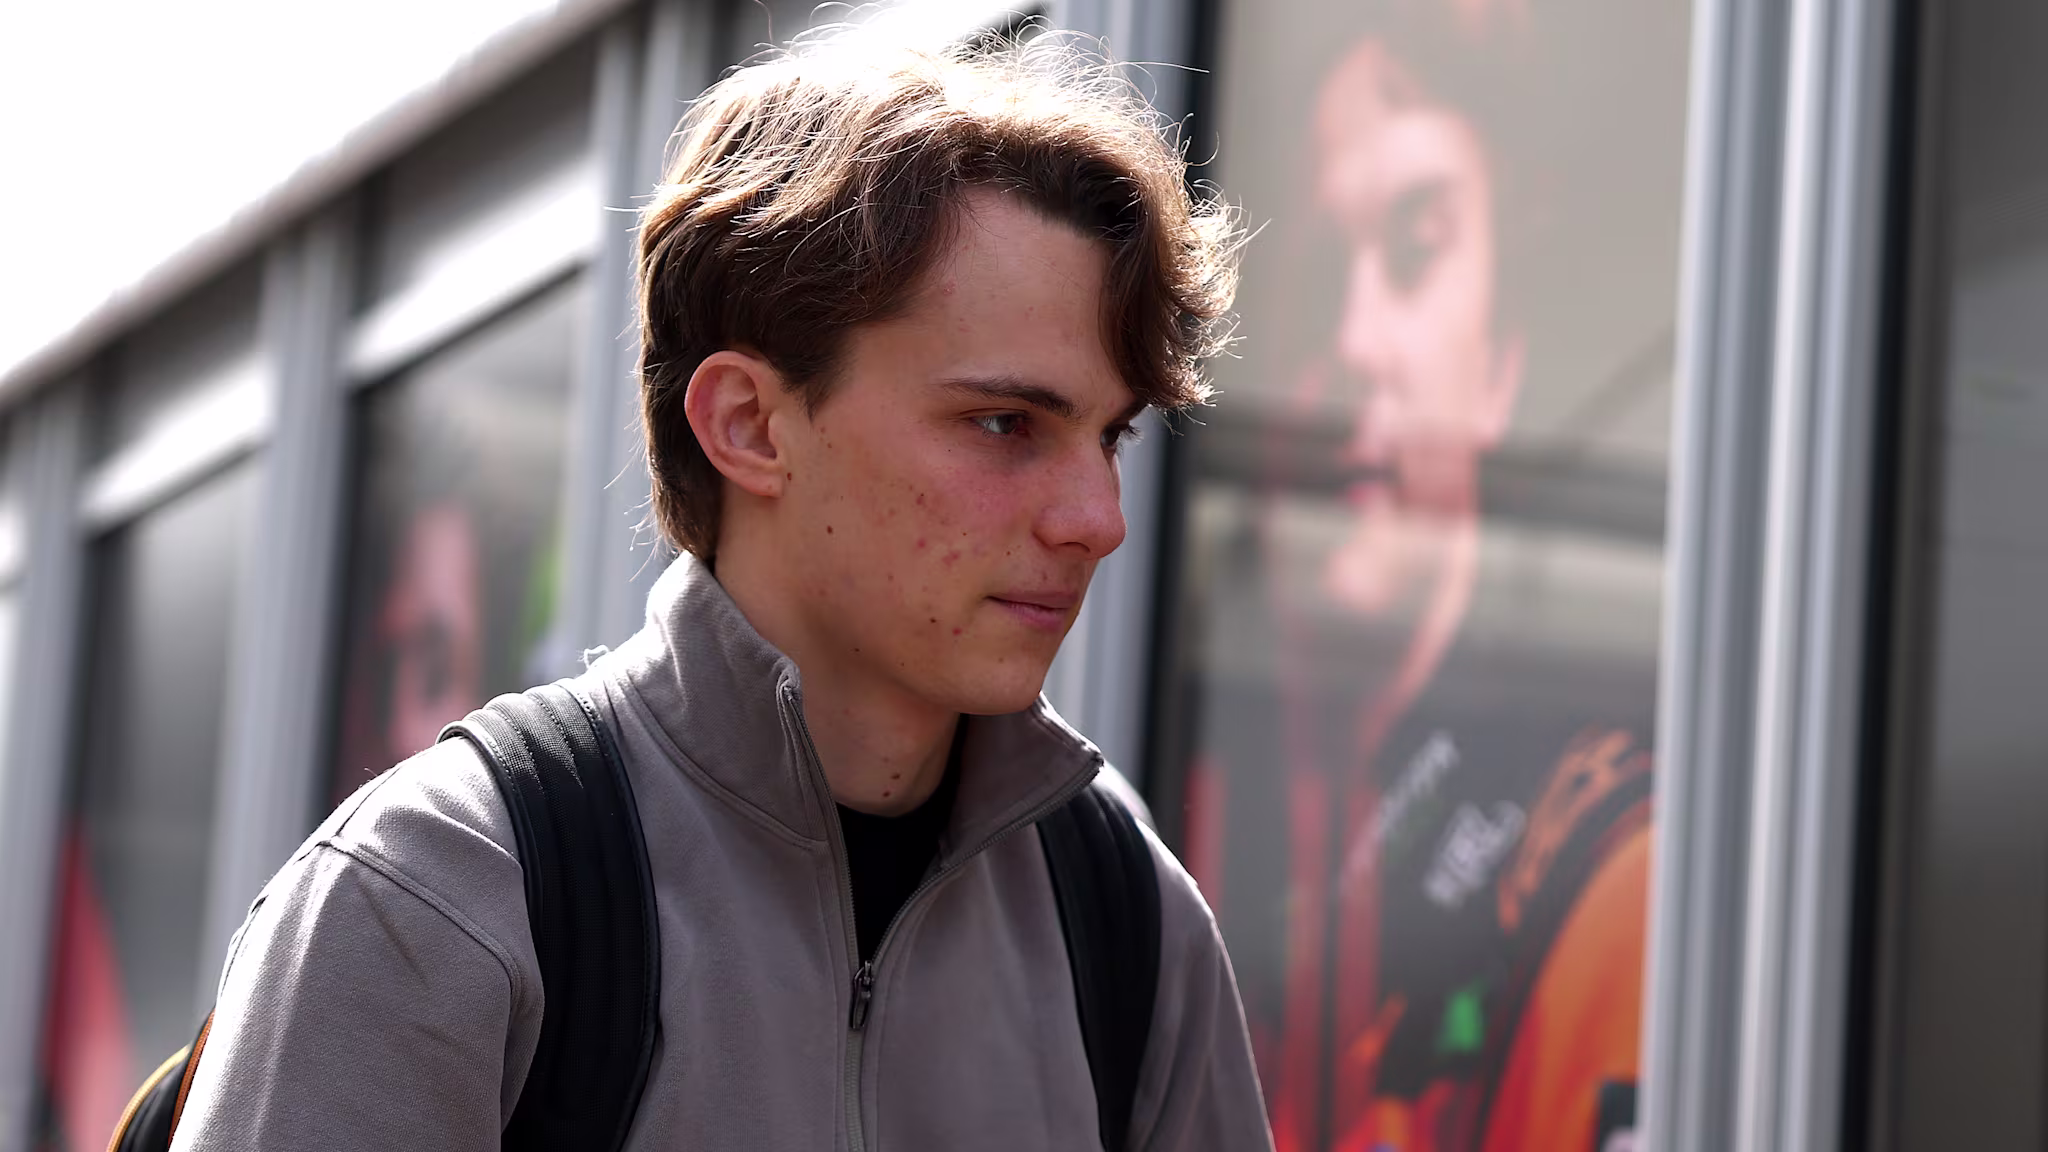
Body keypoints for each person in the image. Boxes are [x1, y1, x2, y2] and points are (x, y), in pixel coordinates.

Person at [170, 30, 1271, 1152]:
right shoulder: (440, 893)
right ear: (748, 425)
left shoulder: (1125, 918)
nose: (1097, 519)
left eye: (1110, 436)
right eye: (1004, 424)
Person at [1249, 15, 1656, 1152]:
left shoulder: (1609, 880)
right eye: (1310, 281)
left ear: (1500, 365)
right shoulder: (1187, 810)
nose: (1353, 339)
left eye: (1414, 251)